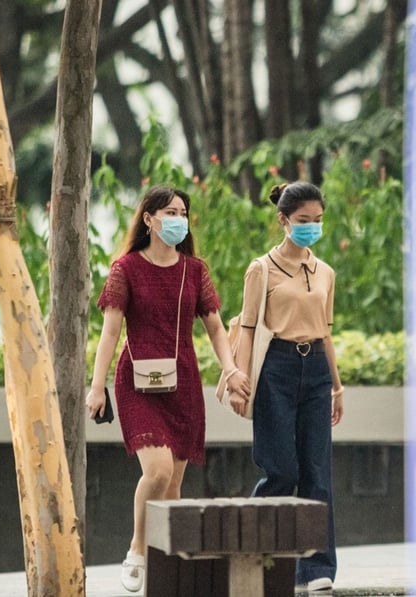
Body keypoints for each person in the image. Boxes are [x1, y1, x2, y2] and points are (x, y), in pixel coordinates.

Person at [85, 186, 246, 593]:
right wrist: (96, 385)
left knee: (172, 488)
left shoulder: (196, 270)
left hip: (183, 384)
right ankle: (137, 548)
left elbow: (214, 326)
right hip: (137, 380)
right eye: (170, 211)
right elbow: (110, 332)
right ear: (149, 219)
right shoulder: (126, 269)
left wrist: (229, 369)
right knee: (156, 472)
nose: (179, 218)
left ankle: (166, 575)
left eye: (183, 212)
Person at [229, 181, 345, 593]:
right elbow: (246, 328)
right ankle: (253, 557)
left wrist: (337, 385)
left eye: (317, 221)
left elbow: (326, 333)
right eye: (302, 221)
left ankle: (316, 569)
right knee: (281, 469)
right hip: (275, 368)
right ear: (283, 220)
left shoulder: (325, 272)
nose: (311, 227)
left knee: (316, 472)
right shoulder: (261, 269)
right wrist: (239, 379)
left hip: (314, 367)